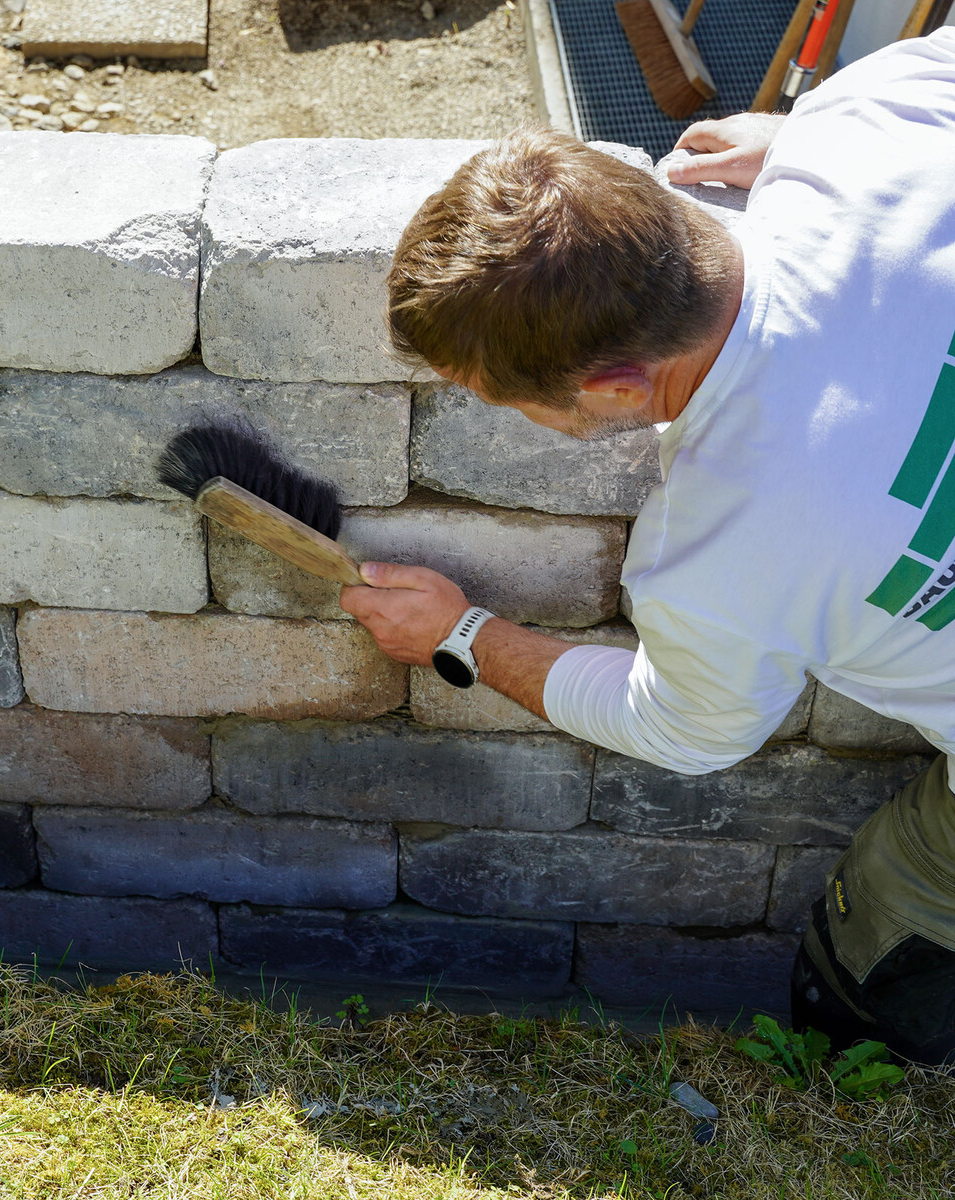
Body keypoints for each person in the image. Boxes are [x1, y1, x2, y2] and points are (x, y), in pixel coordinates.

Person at [340, 28, 955, 1064]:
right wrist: (802, 138)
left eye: (502, 400)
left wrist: (464, 635)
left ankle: (850, 1073)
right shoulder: (884, 120)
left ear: (618, 387)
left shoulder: (724, 544)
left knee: (892, 929)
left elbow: (684, 729)